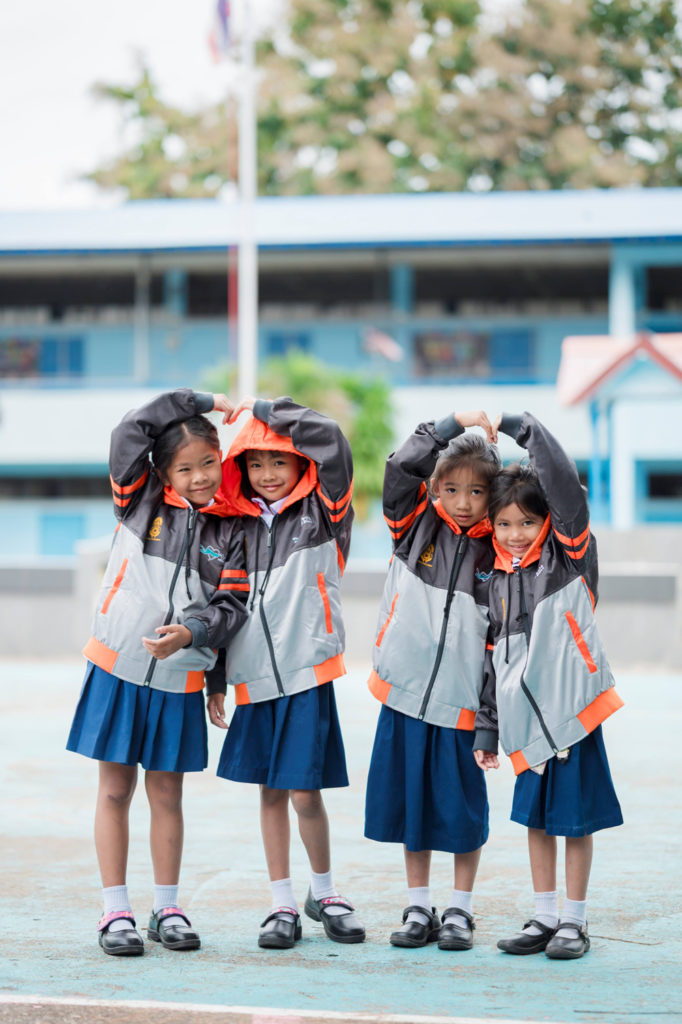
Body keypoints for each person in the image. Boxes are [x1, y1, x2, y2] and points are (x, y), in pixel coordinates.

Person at [67, 389, 249, 957]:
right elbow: (132, 428)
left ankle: (167, 906)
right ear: (163, 472)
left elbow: (230, 607)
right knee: (115, 789)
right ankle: (114, 911)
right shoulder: (138, 501)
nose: (201, 477)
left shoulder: (232, 530)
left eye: (209, 464)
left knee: (167, 795)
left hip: (179, 681)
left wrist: (193, 637)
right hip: (117, 670)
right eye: (186, 468)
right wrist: (205, 400)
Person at [206, 395, 365, 950]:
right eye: (255, 462)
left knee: (304, 792)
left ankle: (323, 892)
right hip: (254, 678)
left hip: (307, 674)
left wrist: (267, 409)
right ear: (239, 468)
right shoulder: (232, 528)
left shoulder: (324, 511)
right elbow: (226, 604)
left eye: (279, 461)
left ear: (301, 463)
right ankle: (280, 903)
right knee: (270, 793)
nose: (268, 474)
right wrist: (218, 676)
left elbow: (331, 439)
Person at [473, 412, 624, 960]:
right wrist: (488, 729)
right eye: (505, 524)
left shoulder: (570, 559)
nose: (515, 534)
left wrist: (521, 426)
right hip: (524, 725)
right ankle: (543, 917)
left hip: (573, 716)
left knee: (574, 822)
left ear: (548, 524)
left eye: (527, 524)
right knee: (536, 821)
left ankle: (574, 923)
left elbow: (563, 486)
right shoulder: (497, 580)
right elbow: (494, 658)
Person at [364, 410, 500, 951]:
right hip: (403, 697)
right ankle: (418, 904)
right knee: (410, 807)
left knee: (463, 813)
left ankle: (460, 910)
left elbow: (499, 645)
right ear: (435, 488)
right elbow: (399, 469)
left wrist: (489, 717)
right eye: (451, 488)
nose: (463, 501)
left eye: (476, 491)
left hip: (462, 706)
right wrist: (448, 424)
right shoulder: (413, 526)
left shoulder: (504, 550)